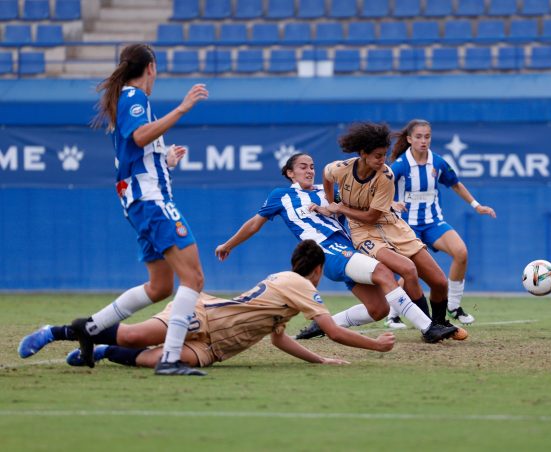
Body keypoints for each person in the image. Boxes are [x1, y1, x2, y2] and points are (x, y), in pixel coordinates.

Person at [18, 44, 210, 376]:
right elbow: (138, 137)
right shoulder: (134, 97)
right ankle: (170, 359)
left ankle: (83, 330)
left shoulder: (127, 99)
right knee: (193, 277)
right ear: (151, 67)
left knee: (160, 287)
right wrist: (182, 108)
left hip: (141, 201)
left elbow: (136, 153)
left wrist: (166, 160)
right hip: (151, 202)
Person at [214, 153, 458, 344]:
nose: (309, 170)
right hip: (327, 250)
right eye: (302, 166)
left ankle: (326, 324)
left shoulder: (328, 191)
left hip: (350, 250)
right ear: (290, 173)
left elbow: (361, 203)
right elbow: (254, 224)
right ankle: (428, 327)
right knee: (385, 273)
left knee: (379, 309)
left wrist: (391, 202)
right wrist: (228, 245)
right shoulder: (281, 195)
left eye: (311, 166)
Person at [54, 241, 394, 369]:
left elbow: (278, 338)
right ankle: (64, 332)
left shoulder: (288, 288)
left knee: (154, 359)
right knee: (133, 337)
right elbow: (332, 331)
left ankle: (101, 352)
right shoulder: (301, 285)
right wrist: (375, 346)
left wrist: (319, 359)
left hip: (218, 348)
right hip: (204, 317)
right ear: (317, 270)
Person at [318, 122, 467, 337]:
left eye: (384, 154)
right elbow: (326, 175)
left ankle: (440, 322)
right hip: (364, 232)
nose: (383, 160)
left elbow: (373, 215)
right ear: (363, 153)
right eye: (378, 155)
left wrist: (340, 208)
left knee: (439, 282)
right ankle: (429, 329)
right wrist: (331, 202)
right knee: (407, 268)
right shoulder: (342, 168)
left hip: (391, 224)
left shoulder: (385, 176)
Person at [384, 119, 496, 327]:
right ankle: (392, 314)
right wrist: (391, 203)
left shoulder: (438, 162)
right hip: (407, 227)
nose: (423, 141)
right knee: (410, 270)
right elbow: (382, 188)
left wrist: (476, 205)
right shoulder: (400, 165)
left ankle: (453, 306)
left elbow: (456, 184)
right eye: (418, 137)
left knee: (461, 252)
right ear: (409, 139)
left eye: (427, 136)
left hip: (434, 223)